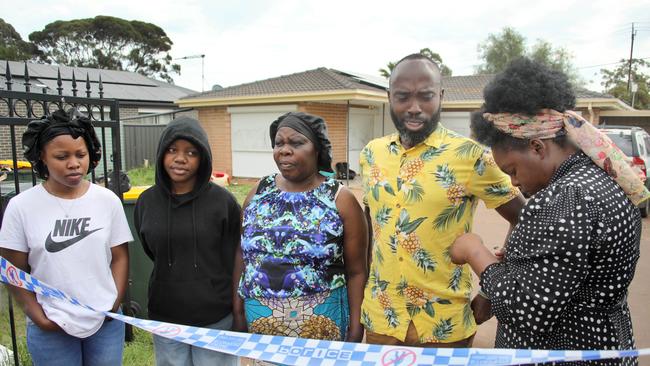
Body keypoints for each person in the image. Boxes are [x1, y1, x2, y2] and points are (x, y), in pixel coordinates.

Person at [450, 58, 647, 364]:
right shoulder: (600, 181)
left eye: (512, 170)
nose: (514, 182)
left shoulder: (566, 198)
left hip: (562, 352)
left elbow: (527, 310)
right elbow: (569, 272)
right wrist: (517, 264)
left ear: (538, 148)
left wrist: (476, 253)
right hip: (606, 342)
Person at [359, 54, 525, 347]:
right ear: (389, 98)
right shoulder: (372, 154)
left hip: (444, 325)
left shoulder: (470, 156)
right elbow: (376, 224)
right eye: (402, 97)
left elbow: (523, 218)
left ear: (441, 97)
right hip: (382, 318)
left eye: (426, 97)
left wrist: (489, 290)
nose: (414, 107)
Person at [0, 109, 132, 365]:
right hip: (51, 325)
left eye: (80, 155)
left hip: (104, 323)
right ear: (42, 157)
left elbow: (120, 256)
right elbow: (13, 270)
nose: (74, 163)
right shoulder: (22, 207)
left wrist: (112, 304)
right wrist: (37, 315)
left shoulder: (107, 201)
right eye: (62, 156)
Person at [232, 112, 368, 342]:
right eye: (279, 143)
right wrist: (237, 311)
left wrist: (356, 329)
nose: (285, 150)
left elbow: (357, 272)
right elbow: (242, 254)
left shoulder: (339, 199)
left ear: (317, 149)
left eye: (296, 143)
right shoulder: (259, 191)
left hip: (322, 324)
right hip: (259, 321)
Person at [134, 117, 240, 366]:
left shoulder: (223, 203)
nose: (180, 158)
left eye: (191, 152)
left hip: (215, 317)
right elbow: (151, 248)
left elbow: (234, 256)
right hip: (166, 317)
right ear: (161, 154)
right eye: (172, 150)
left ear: (202, 157)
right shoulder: (146, 202)